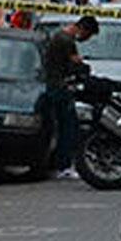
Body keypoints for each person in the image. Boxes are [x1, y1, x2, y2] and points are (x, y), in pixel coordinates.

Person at [44, 15, 97, 179]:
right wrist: (82, 65)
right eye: (87, 36)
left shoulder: (60, 36)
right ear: (83, 29)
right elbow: (74, 64)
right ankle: (63, 165)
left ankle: (60, 163)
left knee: (62, 126)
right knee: (69, 127)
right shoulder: (67, 41)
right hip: (60, 87)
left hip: (54, 85)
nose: (86, 40)